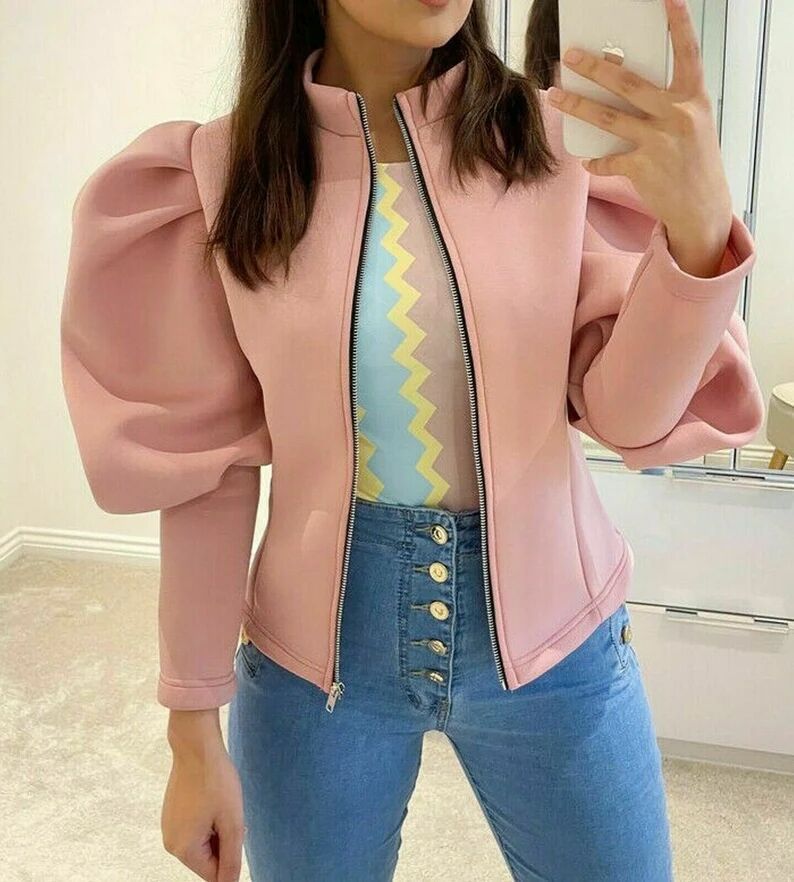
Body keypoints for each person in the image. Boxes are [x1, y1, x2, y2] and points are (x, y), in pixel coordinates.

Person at [60, 0, 765, 880]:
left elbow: (629, 419)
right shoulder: (221, 174)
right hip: (317, 667)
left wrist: (697, 236)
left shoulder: (557, 145)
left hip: (558, 646)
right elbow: (211, 471)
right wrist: (191, 730)